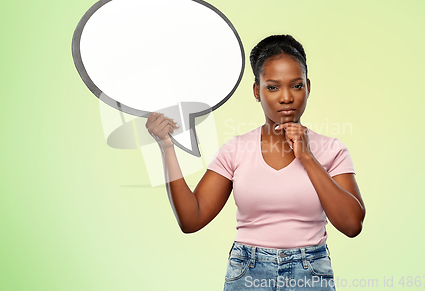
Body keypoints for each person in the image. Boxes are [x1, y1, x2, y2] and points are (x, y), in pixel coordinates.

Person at [145, 34, 365, 290]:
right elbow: (191, 219)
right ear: (256, 91)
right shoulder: (236, 150)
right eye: (272, 87)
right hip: (248, 273)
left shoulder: (332, 150)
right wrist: (166, 147)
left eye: (296, 85)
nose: (286, 97)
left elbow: (352, 225)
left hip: (310, 274)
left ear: (308, 87)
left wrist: (307, 156)